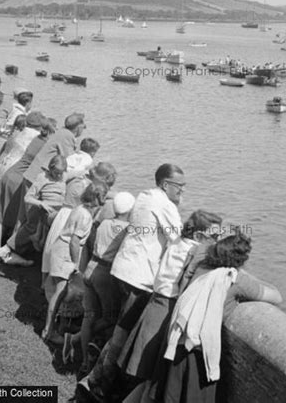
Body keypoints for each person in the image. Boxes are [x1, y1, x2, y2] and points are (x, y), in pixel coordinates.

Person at [86, 164, 185, 399]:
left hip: (123, 268)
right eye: (179, 186)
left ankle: (96, 368)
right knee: (123, 332)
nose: (182, 191)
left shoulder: (144, 196)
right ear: (165, 185)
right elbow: (178, 239)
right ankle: (97, 382)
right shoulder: (163, 204)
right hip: (140, 275)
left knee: (120, 325)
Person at [161, 232, 282, 403]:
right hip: (199, 353)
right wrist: (248, 276)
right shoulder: (234, 280)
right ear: (241, 260)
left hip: (179, 343)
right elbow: (277, 296)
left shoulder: (201, 268)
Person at [117, 210, 224, 403]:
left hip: (157, 303)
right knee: (154, 380)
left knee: (150, 379)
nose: (218, 241)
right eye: (215, 236)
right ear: (199, 235)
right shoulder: (194, 252)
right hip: (167, 309)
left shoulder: (177, 242)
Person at [0, 113, 86, 263]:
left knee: (26, 218)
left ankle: (13, 248)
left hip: (31, 175)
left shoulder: (61, 132)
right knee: (30, 220)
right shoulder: (68, 136)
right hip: (38, 178)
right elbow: (69, 161)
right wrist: (82, 172)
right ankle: (8, 250)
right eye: (83, 127)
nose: (83, 129)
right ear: (78, 127)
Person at [63, 191, 136, 374]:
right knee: (110, 317)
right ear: (130, 210)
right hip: (104, 274)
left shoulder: (104, 223)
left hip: (90, 267)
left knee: (89, 315)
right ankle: (78, 340)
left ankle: (84, 359)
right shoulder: (127, 229)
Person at [43, 181, 109, 342]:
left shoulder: (79, 208)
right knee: (59, 293)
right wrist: (75, 264)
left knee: (64, 291)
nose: (106, 199)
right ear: (98, 198)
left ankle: (61, 325)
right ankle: (48, 331)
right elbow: (74, 241)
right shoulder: (85, 216)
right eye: (104, 196)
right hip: (65, 252)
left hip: (60, 247)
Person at [0, 154, 69, 266]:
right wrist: (41, 204)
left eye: (61, 173)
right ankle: (9, 249)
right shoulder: (43, 178)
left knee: (34, 228)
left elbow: (80, 173)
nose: (58, 175)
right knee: (32, 227)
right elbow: (27, 198)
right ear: (50, 168)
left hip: (58, 210)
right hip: (45, 209)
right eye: (56, 172)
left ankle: (10, 249)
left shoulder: (64, 176)